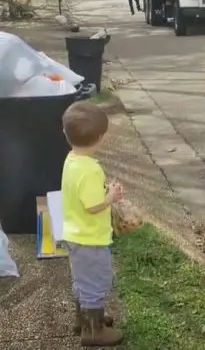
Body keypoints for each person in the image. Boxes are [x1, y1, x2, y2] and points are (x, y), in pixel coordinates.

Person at [61, 102, 124, 347]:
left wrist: (103, 192)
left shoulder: (72, 159)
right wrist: (110, 197)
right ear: (100, 137)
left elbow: (81, 196)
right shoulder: (90, 169)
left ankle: (84, 319)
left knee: (83, 279)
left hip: (75, 234)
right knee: (95, 282)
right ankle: (94, 331)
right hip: (90, 238)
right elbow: (92, 205)